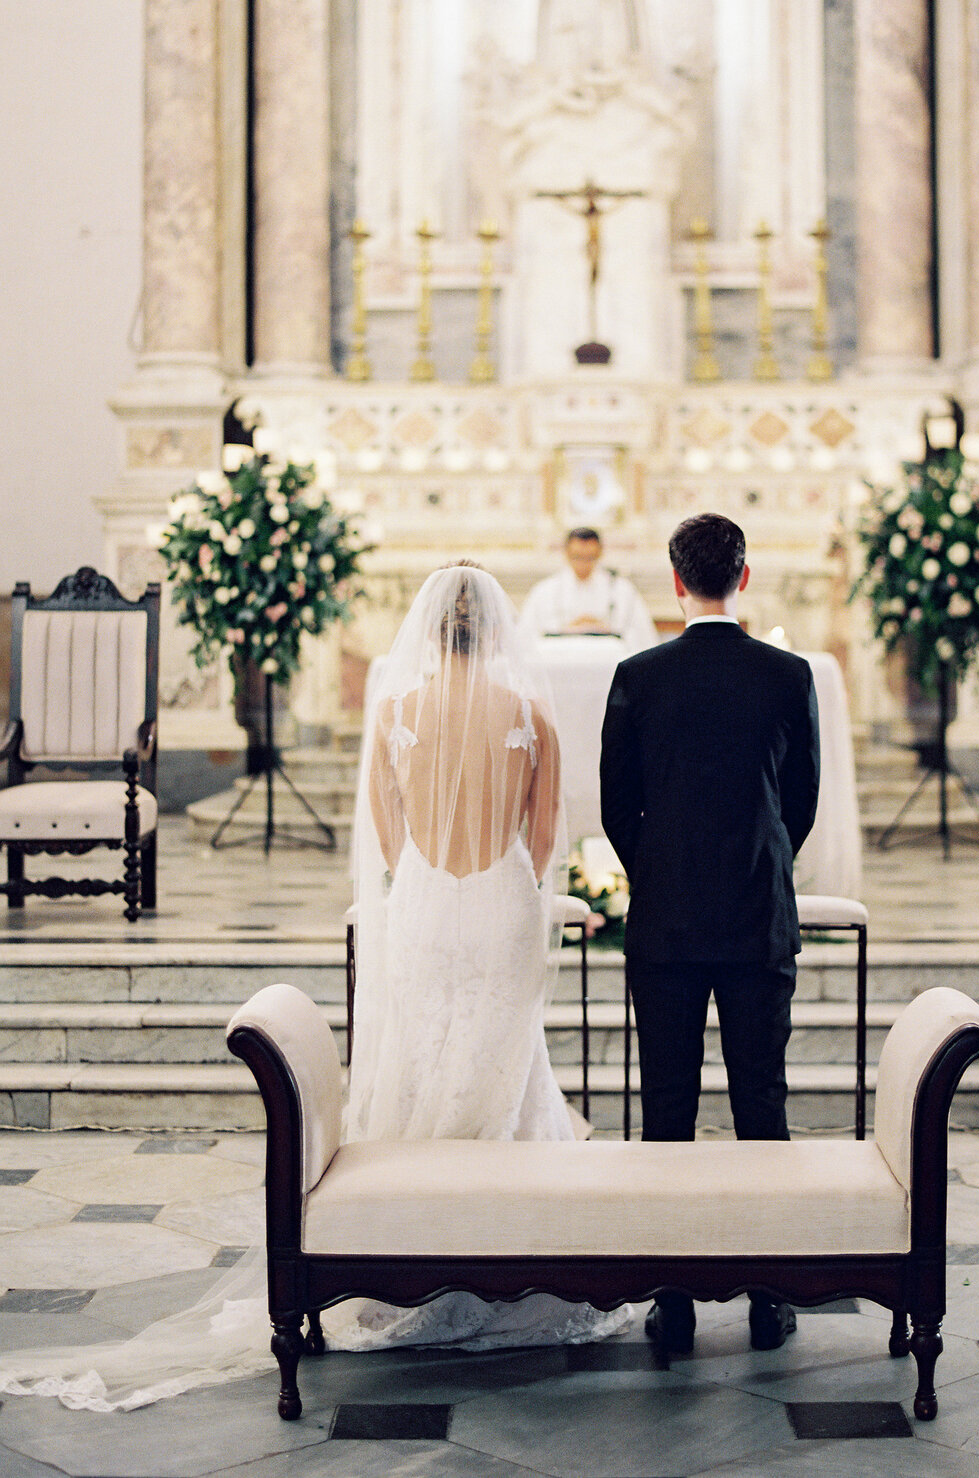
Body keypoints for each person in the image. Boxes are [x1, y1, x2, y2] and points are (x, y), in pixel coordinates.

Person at [0, 565, 626, 1410]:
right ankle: (512, 1251)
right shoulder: (533, 719)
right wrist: (510, 882)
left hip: (425, 909)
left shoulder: (396, 715)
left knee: (419, 1063)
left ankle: (405, 1246)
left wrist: (433, 882)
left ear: (433, 629)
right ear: (497, 632)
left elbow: (386, 835)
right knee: (502, 1067)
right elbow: (544, 840)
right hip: (503, 912)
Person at [599, 515, 820, 1358]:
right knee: (764, 1105)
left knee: (668, 1116)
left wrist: (658, 869)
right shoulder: (788, 674)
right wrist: (759, 863)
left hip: (666, 921)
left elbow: (618, 803)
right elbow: (799, 799)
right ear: (745, 576)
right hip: (758, 911)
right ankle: (770, 1299)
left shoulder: (638, 676)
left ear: (675, 582)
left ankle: (675, 1306)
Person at [518, 527, 659, 654]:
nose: (583, 564)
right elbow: (526, 638)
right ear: (566, 553)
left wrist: (602, 628)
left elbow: (643, 638)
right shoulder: (544, 591)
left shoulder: (622, 590)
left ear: (600, 553)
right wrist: (570, 628)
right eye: (577, 557)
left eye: (590, 558)